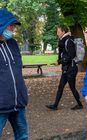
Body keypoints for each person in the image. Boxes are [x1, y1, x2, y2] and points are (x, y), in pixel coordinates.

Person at [0, 8, 28, 139]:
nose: (13, 28)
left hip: (18, 103)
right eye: (10, 25)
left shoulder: (13, 43)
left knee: (22, 136)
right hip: (1, 105)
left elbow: (17, 71)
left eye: (13, 25)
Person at [46, 25, 83, 110]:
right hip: (66, 69)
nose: (57, 33)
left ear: (63, 32)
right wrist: (60, 61)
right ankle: (55, 105)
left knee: (72, 87)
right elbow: (65, 55)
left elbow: (71, 56)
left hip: (71, 69)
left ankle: (80, 104)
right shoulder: (63, 41)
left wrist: (60, 61)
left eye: (58, 31)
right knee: (61, 86)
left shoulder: (68, 41)